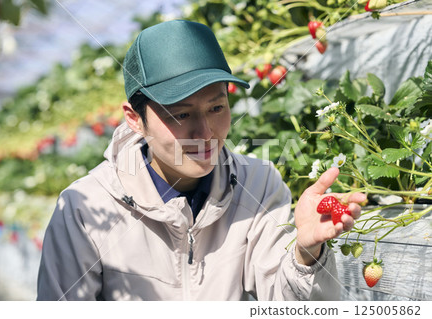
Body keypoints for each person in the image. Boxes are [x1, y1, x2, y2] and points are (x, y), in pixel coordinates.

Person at [36, 20, 365, 301]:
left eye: (217, 107)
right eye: (180, 114)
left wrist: (305, 255)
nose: (205, 132)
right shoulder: (85, 208)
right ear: (134, 118)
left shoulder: (259, 185)